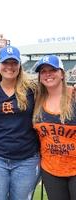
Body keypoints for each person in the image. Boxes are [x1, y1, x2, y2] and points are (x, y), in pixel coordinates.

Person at [0, 45, 40, 200]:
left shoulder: (33, 89)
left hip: (27, 159)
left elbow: (55, 89)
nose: (10, 67)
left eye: (14, 63)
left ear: (20, 66)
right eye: (5, 63)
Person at [33, 55, 76, 200]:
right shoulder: (36, 99)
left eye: (53, 70)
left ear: (62, 74)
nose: (48, 74)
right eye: (43, 71)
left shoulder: (74, 96)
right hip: (51, 170)